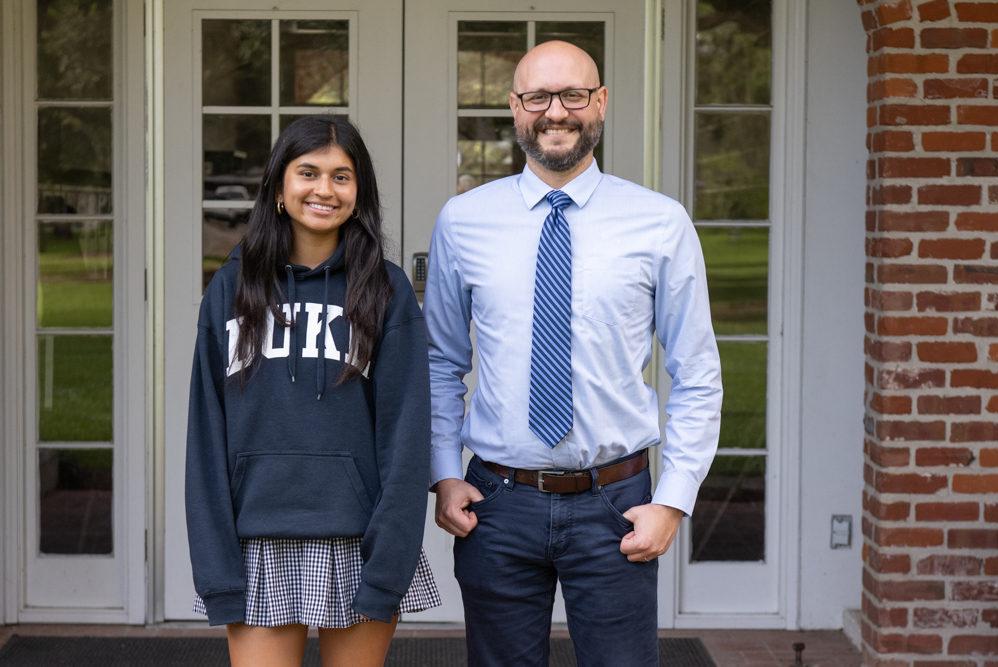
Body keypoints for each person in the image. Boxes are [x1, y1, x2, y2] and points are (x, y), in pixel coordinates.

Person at [424, 41, 722, 667]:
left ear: (601, 103)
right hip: (497, 505)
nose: (555, 112)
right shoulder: (463, 221)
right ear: (515, 108)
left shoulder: (660, 222)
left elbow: (696, 371)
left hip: (616, 504)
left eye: (574, 96)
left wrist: (673, 499)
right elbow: (439, 361)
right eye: (538, 97)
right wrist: (445, 473)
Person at [186, 115, 440, 667]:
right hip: (257, 540)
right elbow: (205, 435)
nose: (324, 189)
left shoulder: (387, 290)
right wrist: (215, 566)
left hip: (358, 541)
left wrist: (389, 562)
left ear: (360, 192)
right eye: (308, 172)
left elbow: (405, 435)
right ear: (279, 187)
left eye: (342, 176)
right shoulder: (232, 288)